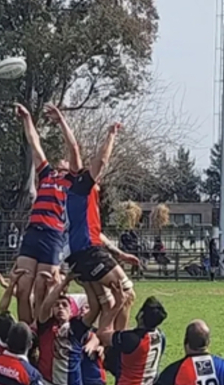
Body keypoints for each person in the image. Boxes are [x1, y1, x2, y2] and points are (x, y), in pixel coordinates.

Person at [48, 105, 139, 331]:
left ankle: (94, 344)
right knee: (127, 293)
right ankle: (116, 344)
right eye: (62, 165)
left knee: (105, 303)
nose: (66, 162)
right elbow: (95, 158)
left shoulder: (73, 195)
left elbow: (96, 232)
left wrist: (119, 253)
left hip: (79, 256)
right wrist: (110, 135)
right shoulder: (79, 187)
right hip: (88, 252)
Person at [13, 103, 73, 324]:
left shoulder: (73, 185)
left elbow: (74, 150)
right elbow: (35, 144)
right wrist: (27, 118)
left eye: (65, 164)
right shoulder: (47, 175)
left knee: (42, 288)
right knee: (22, 288)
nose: (61, 164)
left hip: (53, 236)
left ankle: (41, 333)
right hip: (33, 233)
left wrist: (61, 122)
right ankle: (25, 335)